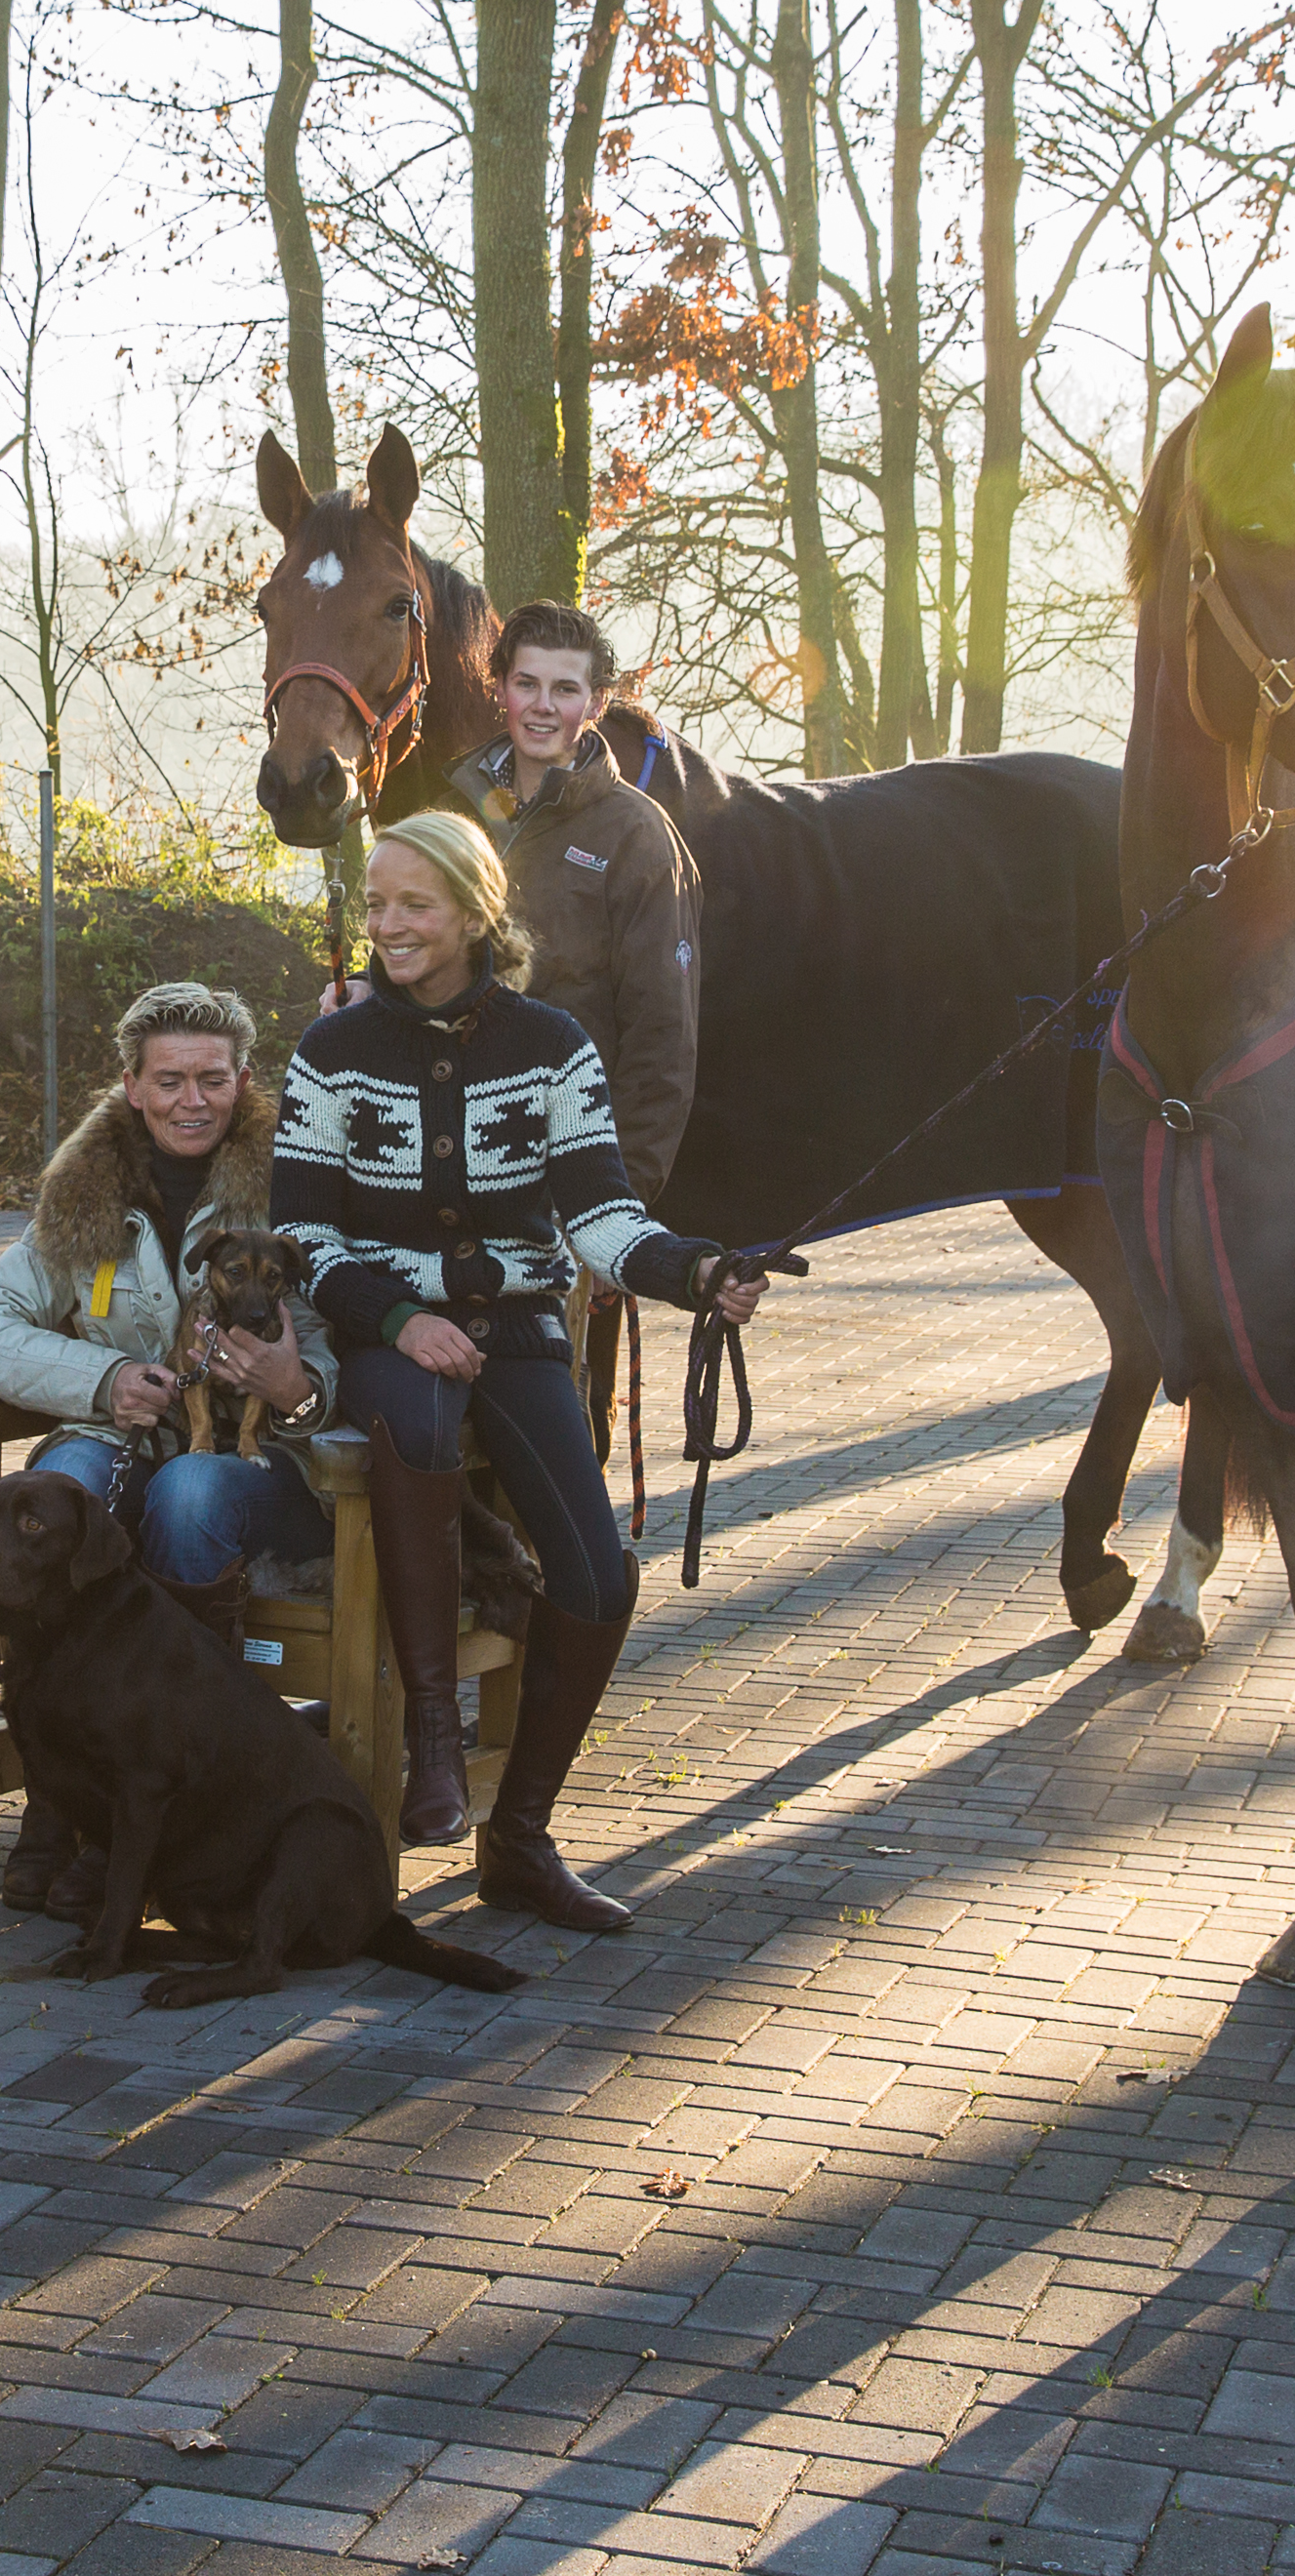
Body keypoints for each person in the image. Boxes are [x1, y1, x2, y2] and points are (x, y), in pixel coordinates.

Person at [273, 808, 767, 1932]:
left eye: (414, 905)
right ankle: (434, 1739)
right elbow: (302, 1233)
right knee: (419, 1428)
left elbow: (598, 1216)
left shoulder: (551, 1046)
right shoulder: (331, 1052)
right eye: (376, 905)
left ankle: (522, 1837)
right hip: (386, 1335)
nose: (388, 927)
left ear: (472, 911)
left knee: (598, 1576)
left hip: (520, 1329)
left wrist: (692, 1273)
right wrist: (396, 1319)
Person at [0, 981, 331, 1655]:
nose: (192, 1100)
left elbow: (334, 1334)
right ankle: (54, 1706)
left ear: (241, 1081)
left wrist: (297, 1387)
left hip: (260, 1463)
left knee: (188, 1491)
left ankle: (190, 1719)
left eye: (212, 1079)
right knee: (57, 1498)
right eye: (170, 1080)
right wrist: (105, 1377)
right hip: (116, 1441)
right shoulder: (81, 1200)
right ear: (133, 1086)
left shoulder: (293, 1189)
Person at [454, 600, 701, 1203]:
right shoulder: (455, 815)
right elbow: (413, 945)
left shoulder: (637, 837)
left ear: (594, 705)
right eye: (526, 684)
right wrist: (365, 986)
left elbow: (662, 1042)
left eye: (564, 689)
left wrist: (623, 1209)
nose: (541, 706)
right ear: (501, 690)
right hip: (446, 1158)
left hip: (567, 1173)